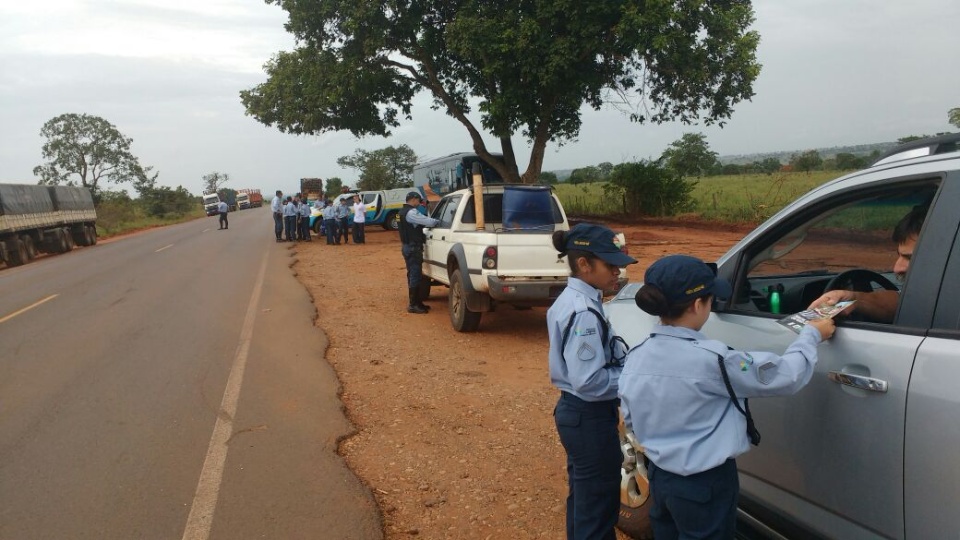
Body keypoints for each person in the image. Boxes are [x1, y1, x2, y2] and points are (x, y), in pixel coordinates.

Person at [618, 254, 835, 540]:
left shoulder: (637, 355)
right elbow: (786, 375)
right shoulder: (715, 360)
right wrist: (810, 335)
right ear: (698, 305)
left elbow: (630, 416)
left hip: (661, 478)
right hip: (705, 485)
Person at [546, 223, 638, 540]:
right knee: (597, 511)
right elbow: (589, 382)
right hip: (588, 415)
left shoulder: (577, 299)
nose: (617, 271)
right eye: (610, 264)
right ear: (584, 265)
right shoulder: (583, 311)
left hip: (578, 414)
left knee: (585, 502)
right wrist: (634, 377)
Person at [808, 204, 927, 323]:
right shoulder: (934, 293)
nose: (897, 268)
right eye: (899, 255)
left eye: (911, 258)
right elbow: (904, 303)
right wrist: (855, 300)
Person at [398, 192, 439, 314]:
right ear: (413, 199)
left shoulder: (400, 212)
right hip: (413, 247)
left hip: (407, 246)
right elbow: (429, 222)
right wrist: (438, 220)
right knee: (415, 275)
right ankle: (413, 304)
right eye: (418, 201)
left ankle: (417, 302)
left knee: (412, 274)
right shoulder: (411, 213)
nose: (419, 203)